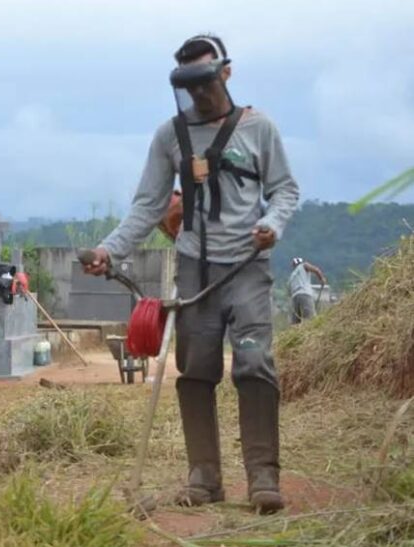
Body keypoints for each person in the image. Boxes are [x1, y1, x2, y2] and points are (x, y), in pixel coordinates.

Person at [82, 34, 299, 513]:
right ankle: (204, 478)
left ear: (225, 73)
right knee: (196, 372)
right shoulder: (170, 136)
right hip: (195, 271)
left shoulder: (258, 129)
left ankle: (263, 478)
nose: (199, 94)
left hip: (246, 267)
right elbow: (147, 206)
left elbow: (285, 191)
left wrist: (271, 224)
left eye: (205, 82)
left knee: (254, 365)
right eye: (188, 86)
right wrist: (109, 250)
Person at [287, 257, 327, 324]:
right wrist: (321, 278)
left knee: (296, 323)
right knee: (311, 319)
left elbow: (289, 291)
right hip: (304, 294)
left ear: (294, 265)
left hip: (295, 298)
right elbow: (316, 270)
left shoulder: (292, 276)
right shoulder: (304, 265)